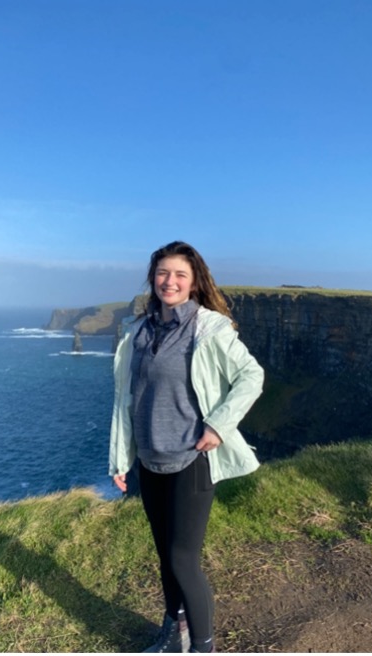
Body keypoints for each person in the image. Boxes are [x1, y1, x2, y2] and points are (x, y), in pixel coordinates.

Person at [109, 241, 264, 653]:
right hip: (149, 458)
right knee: (165, 556)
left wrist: (218, 425)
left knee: (182, 559)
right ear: (152, 278)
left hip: (191, 458)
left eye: (179, 274)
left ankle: (203, 646)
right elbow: (127, 400)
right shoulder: (138, 330)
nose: (169, 281)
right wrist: (122, 459)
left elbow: (251, 376)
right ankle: (171, 632)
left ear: (193, 282)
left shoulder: (207, 328)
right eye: (162, 273)